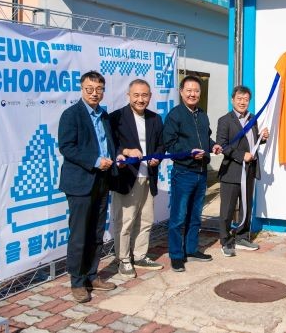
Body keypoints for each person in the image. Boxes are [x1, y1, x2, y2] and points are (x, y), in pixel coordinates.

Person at [58, 70, 118, 303]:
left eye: (99, 89)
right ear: (82, 89)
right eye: (89, 89)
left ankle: (92, 275)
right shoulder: (71, 115)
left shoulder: (104, 115)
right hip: (80, 182)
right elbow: (67, 147)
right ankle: (77, 281)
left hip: (102, 181)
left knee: (96, 233)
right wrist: (95, 161)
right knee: (80, 234)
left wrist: (117, 156)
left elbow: (108, 144)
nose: (94, 93)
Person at [163, 75, 222, 272]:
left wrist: (213, 146)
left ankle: (191, 249)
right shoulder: (175, 115)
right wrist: (189, 153)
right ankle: (176, 255)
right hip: (184, 172)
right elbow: (169, 144)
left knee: (196, 215)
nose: (192, 94)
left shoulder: (202, 114)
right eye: (188, 90)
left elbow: (206, 138)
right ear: (181, 92)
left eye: (196, 90)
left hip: (201, 172)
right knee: (178, 217)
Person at [109, 79, 165, 278]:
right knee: (125, 221)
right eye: (136, 95)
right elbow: (110, 145)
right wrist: (125, 151)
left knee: (146, 219)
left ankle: (140, 255)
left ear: (150, 96)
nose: (141, 99)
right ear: (128, 96)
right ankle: (123, 259)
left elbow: (161, 145)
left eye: (145, 95)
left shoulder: (155, 119)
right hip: (127, 177)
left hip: (148, 176)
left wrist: (157, 157)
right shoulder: (116, 117)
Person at [216, 85, 269, 256]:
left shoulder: (252, 119)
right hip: (231, 171)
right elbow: (222, 145)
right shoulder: (225, 120)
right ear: (232, 100)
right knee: (227, 209)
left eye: (246, 99)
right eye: (239, 99)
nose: (242, 102)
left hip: (249, 170)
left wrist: (262, 138)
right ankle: (225, 241)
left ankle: (242, 237)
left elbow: (251, 143)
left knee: (246, 207)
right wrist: (241, 155)